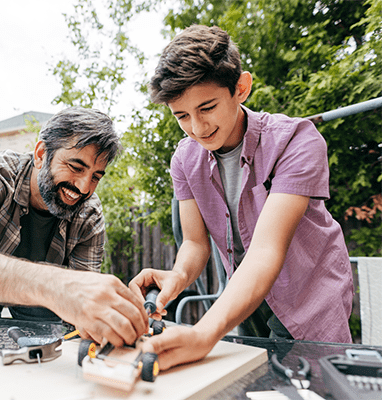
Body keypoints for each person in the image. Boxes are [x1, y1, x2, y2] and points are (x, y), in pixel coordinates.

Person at [129, 25, 353, 370]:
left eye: (207, 108)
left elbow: (266, 250)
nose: (198, 128)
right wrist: (177, 276)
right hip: (245, 302)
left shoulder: (296, 141)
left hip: (309, 299)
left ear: (241, 88)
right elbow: (194, 243)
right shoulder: (183, 159)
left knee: (316, 388)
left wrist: (204, 333)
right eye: (182, 116)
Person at [0, 106, 148, 347]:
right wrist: (56, 285)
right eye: (75, 167)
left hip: (43, 312)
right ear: (40, 154)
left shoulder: (89, 213)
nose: (83, 187)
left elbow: (82, 302)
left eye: (96, 177)